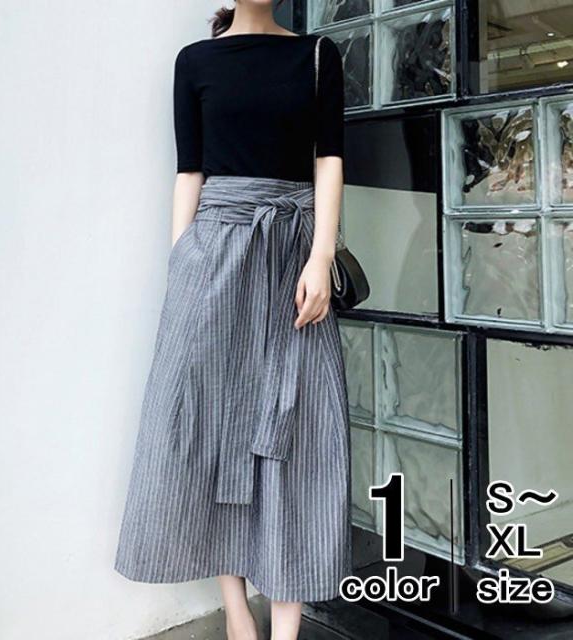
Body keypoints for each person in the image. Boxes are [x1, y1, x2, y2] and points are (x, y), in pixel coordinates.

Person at [114, 1, 351, 638]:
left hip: (291, 250)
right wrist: (182, 260)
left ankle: (287, 627)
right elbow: (189, 170)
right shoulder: (195, 61)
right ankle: (238, 615)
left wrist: (321, 255)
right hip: (213, 252)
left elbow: (329, 159)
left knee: (300, 427)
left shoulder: (316, 55)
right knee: (211, 422)